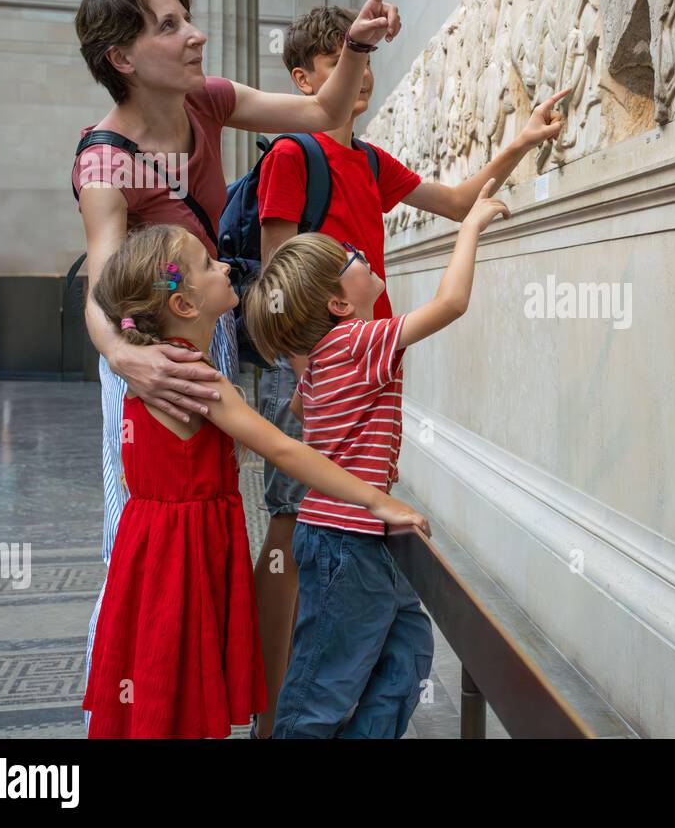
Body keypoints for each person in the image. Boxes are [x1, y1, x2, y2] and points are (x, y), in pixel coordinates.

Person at [71, 0, 404, 725]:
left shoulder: (210, 103)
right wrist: (130, 358)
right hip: (142, 344)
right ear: (122, 58)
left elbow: (322, 109)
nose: (195, 35)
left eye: (186, 18)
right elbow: (103, 292)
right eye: (169, 26)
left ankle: (202, 695)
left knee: (213, 522)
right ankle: (127, 705)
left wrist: (353, 43)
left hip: (210, 322)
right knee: (137, 546)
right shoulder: (105, 160)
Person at [248, 3, 570, 736]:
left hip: (357, 362)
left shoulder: (367, 159)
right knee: (295, 535)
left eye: (362, 62)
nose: (360, 78)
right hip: (322, 372)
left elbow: (457, 203)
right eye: (341, 62)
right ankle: (277, 718)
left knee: (377, 605)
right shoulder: (294, 156)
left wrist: (518, 142)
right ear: (305, 78)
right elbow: (275, 284)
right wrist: (316, 377)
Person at [82, 223, 428, 738]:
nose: (225, 266)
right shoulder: (201, 380)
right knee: (179, 668)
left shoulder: (155, 375)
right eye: (207, 265)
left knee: (159, 670)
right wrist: (377, 501)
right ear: (183, 306)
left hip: (150, 549)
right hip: (186, 554)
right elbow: (285, 450)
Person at [242, 179, 507, 738]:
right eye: (351, 258)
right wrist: (470, 228)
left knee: (405, 655)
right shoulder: (357, 341)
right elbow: (452, 303)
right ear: (340, 304)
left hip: (353, 539)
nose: (362, 255)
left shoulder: (317, 359)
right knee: (325, 686)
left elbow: (301, 403)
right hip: (347, 546)